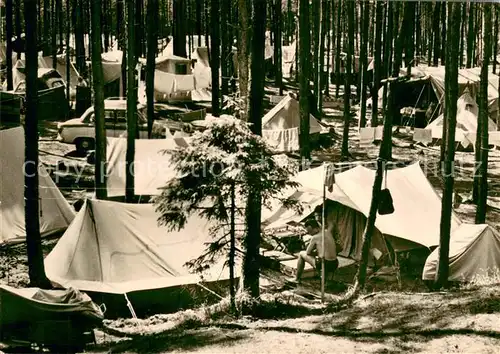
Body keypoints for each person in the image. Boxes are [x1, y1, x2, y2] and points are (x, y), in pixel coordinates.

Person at [289, 218, 338, 284]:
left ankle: (297, 279)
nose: (310, 234)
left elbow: (308, 252)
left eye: (310, 231)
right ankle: (325, 280)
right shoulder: (327, 232)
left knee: (301, 254)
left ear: (315, 229)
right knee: (322, 256)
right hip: (334, 263)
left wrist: (314, 249)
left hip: (324, 264)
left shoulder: (315, 237)